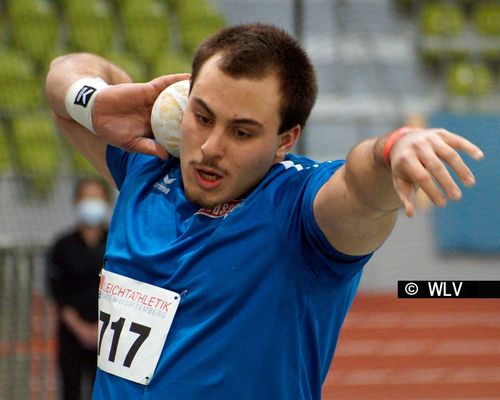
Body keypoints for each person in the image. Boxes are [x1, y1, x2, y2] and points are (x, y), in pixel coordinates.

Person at [45, 23, 483, 400]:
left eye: (241, 131)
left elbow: (359, 185)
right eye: (202, 116)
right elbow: (61, 75)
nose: (211, 147)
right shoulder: (147, 163)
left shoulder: (297, 210)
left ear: (285, 141)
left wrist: (393, 148)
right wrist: (94, 101)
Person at [47, 177, 112, 400]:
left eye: (96, 197)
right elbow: (58, 293)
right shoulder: (62, 246)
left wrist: (98, 330)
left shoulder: (116, 244)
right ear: (76, 201)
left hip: (109, 335)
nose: (91, 202)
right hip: (71, 335)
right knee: (70, 391)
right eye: (86, 197)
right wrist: (80, 329)